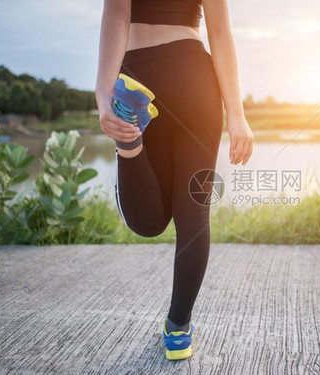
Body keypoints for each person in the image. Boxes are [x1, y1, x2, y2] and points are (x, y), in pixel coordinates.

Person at [94, 0, 254, 360]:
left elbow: (117, 16)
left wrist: (103, 96)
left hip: (139, 79)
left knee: (148, 224)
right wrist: (237, 114)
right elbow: (220, 32)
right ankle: (178, 328)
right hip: (193, 77)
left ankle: (129, 143)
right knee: (193, 214)